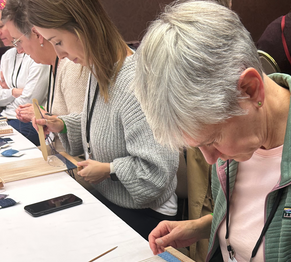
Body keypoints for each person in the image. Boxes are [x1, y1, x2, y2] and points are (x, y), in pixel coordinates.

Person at [134, 0, 291, 262]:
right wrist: (205, 226)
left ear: (251, 90)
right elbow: (258, 215)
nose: (209, 158)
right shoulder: (238, 139)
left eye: (212, 140)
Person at [25, 0, 179, 241]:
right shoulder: (99, 69)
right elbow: (103, 122)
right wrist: (63, 124)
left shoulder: (136, 80)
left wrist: (110, 170)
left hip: (147, 218)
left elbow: (157, 171)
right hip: (111, 201)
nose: (60, 55)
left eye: (58, 42)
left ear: (83, 27)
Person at [2, 0, 89, 155]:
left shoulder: (71, 67)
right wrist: (48, 116)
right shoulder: (55, 65)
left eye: (18, 41)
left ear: (37, 34)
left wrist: (49, 118)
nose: (19, 50)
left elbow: (85, 137)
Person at [0, 4, 49, 145]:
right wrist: (14, 92)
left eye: (2, 27)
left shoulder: (37, 55)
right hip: (7, 117)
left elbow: (30, 100)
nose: (0, 33)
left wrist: (6, 92)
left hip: (28, 121)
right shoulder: (7, 56)